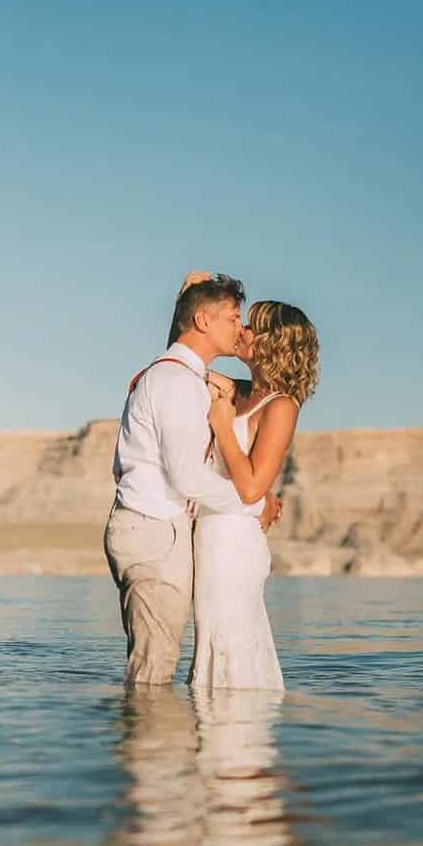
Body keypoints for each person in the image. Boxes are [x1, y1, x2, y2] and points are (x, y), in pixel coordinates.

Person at [104, 276, 282, 686]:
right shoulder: (174, 383)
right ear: (203, 320)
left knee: (157, 658)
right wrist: (256, 503)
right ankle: (150, 747)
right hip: (153, 529)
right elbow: (187, 478)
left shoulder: (182, 377)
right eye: (235, 318)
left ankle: (160, 746)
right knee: (154, 666)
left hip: (158, 529)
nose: (240, 328)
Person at [189, 289, 320, 690]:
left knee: (231, 641)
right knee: (210, 640)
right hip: (209, 534)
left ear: (273, 342)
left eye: (253, 326)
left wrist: (223, 425)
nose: (242, 329)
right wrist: (187, 304)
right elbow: (180, 365)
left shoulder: (281, 407)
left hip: (233, 543)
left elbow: (249, 488)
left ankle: (236, 739)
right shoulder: (242, 391)